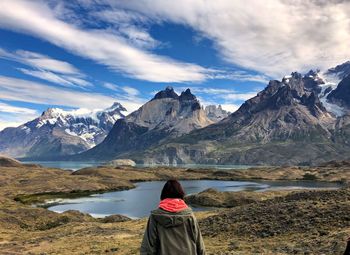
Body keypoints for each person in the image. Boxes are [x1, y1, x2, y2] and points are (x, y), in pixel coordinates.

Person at [140, 180, 206, 255]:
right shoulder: (190, 216)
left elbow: (148, 248)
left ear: (163, 194)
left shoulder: (155, 217)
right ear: (181, 194)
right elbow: (200, 245)